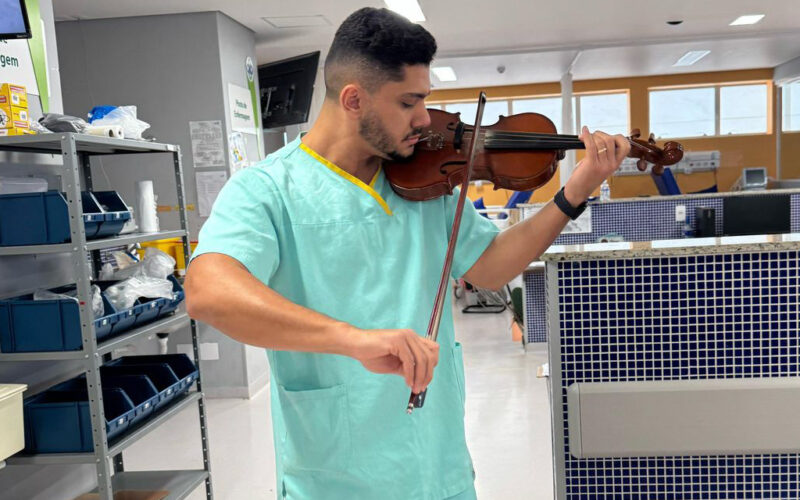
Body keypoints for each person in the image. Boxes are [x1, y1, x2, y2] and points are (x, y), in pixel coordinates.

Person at [185, 7, 629, 500]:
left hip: (439, 468)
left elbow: (492, 267)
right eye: (408, 102)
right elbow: (208, 292)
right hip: (333, 478)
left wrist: (575, 190)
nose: (424, 120)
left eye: (425, 100)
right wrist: (353, 340)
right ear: (353, 99)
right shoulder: (266, 189)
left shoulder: (422, 183)